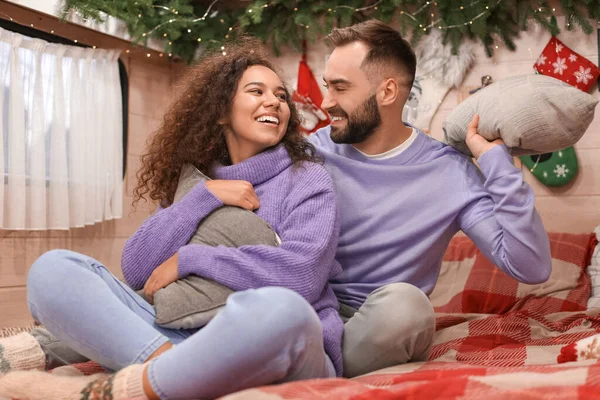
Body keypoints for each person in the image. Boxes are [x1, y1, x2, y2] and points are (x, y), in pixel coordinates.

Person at [0, 39, 343, 400]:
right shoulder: (196, 182)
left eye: (281, 96)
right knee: (54, 270)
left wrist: (190, 259)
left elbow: (301, 277)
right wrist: (203, 198)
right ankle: (171, 373)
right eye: (256, 91)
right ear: (220, 112)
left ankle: (145, 381)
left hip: (268, 341)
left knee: (283, 310)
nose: (274, 101)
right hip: (173, 334)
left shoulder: (307, 177)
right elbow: (136, 270)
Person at [308, 19, 552, 378]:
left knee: (407, 307)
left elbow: (531, 267)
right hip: (311, 315)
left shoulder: (449, 172)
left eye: (340, 88)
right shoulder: (311, 151)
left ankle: (313, 376)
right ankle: (317, 370)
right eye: (327, 86)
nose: (326, 102)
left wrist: (496, 164)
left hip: (384, 327)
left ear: (387, 92)